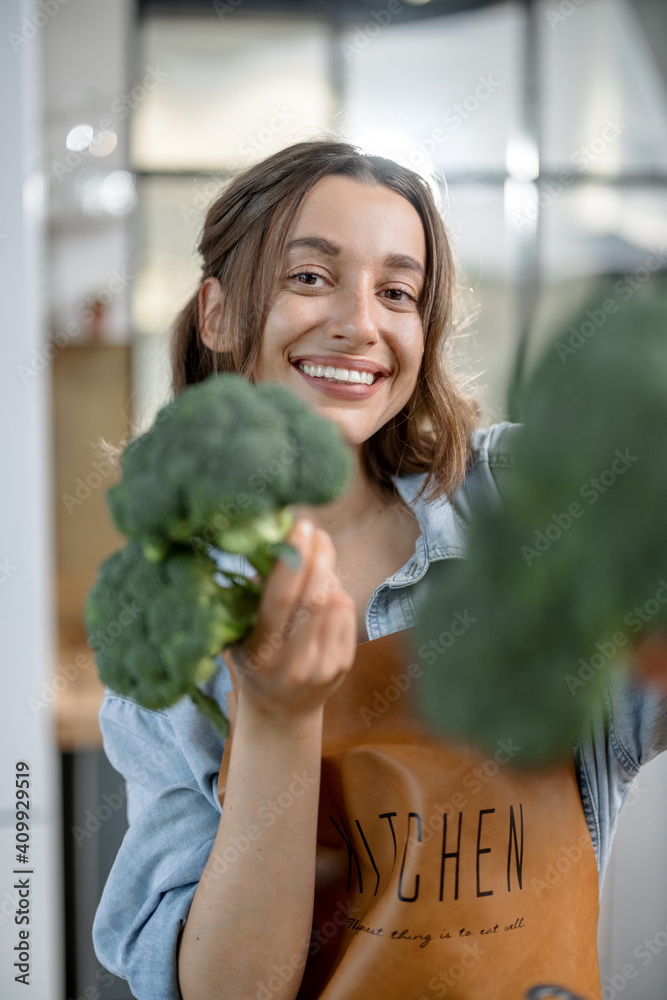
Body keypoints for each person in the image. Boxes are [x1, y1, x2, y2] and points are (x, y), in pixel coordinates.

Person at [92, 139, 667, 1000]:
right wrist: (279, 719)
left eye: (396, 292)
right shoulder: (176, 629)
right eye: (310, 278)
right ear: (216, 313)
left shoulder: (521, 503)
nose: (360, 324)